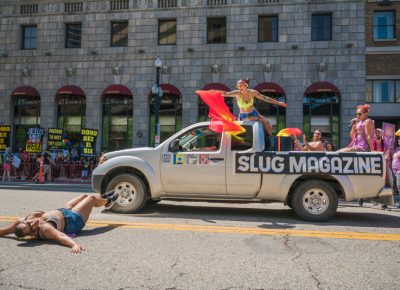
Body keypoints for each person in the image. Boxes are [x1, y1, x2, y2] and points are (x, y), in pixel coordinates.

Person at [0, 192, 119, 253]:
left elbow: (4, 231)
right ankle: (106, 201)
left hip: (64, 211)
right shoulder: (46, 229)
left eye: (28, 223)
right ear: (31, 234)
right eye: (31, 228)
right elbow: (60, 236)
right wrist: (74, 245)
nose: (32, 223)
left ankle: (101, 199)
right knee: (91, 199)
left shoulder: (23, 221)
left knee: (85, 196)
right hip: (74, 220)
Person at [216, 79, 288, 136]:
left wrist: (278, 102)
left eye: (241, 85)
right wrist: (213, 92)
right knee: (256, 123)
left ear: (246, 85)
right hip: (244, 116)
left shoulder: (252, 92)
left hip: (254, 112)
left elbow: (264, 98)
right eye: (238, 86)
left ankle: (271, 139)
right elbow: (225, 93)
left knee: (268, 124)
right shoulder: (237, 93)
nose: (239, 87)